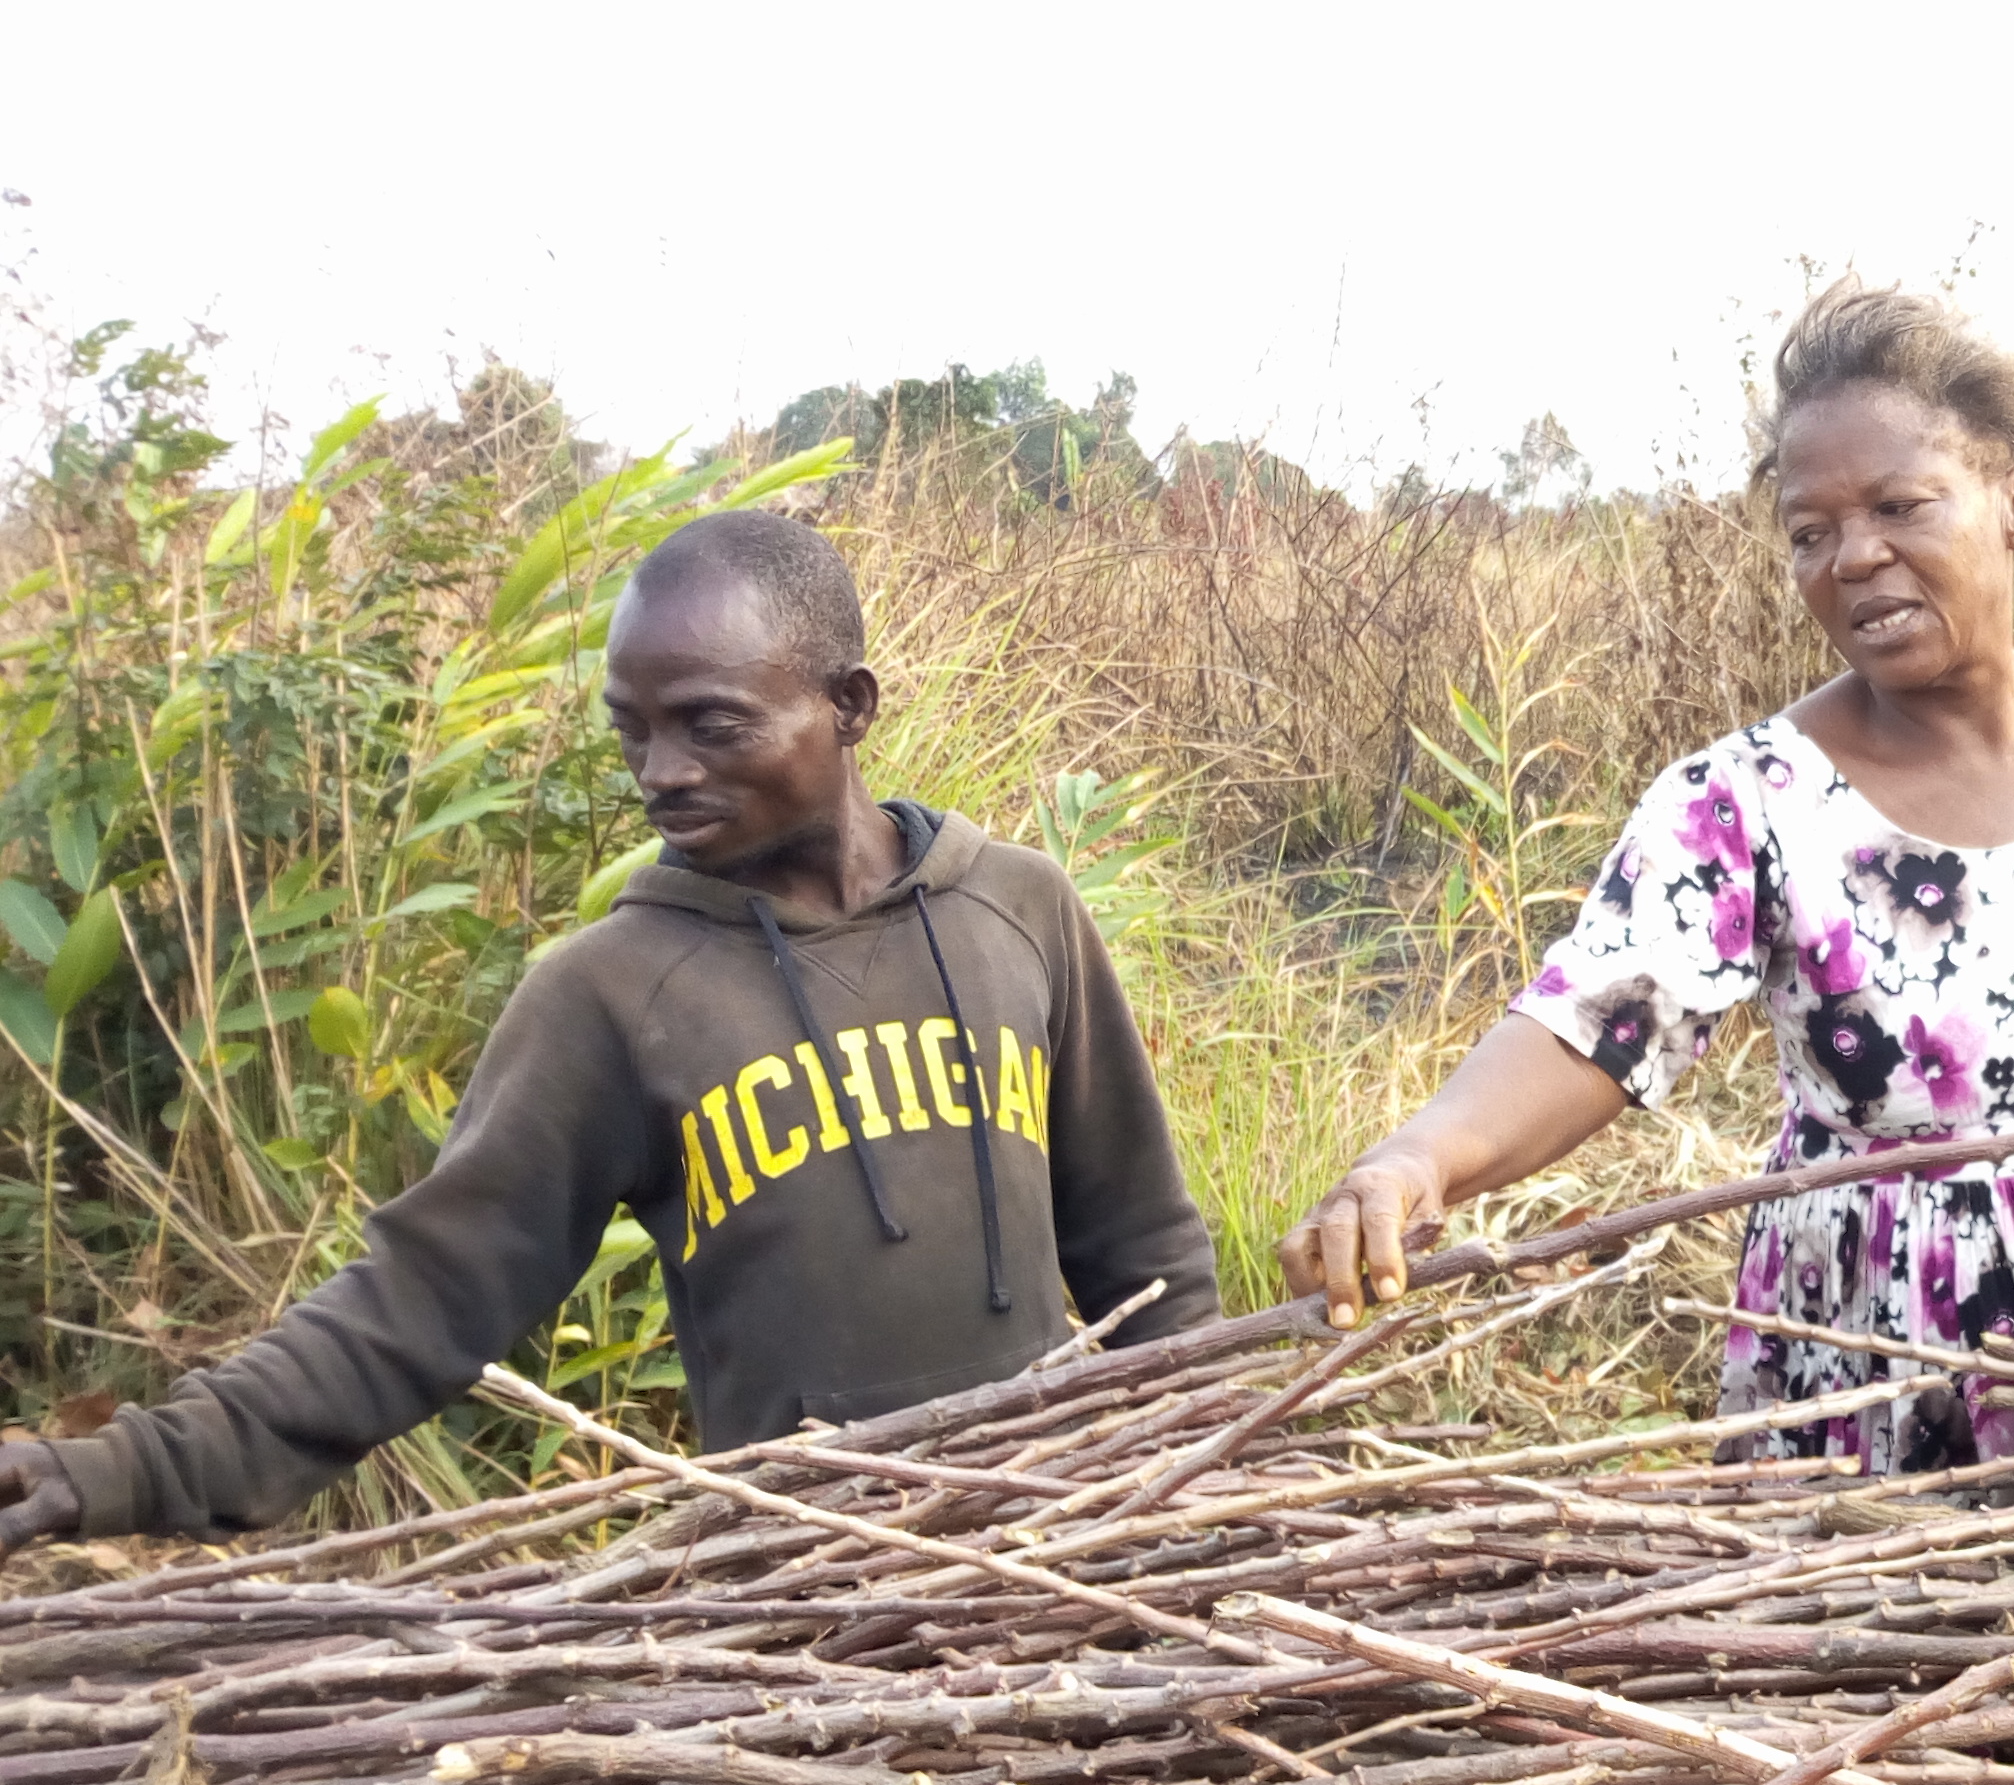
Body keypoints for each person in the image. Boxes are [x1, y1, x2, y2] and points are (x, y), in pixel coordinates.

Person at [1286, 282, 2014, 1468]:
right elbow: (1592, 1020)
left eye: (1900, 505)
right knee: (1884, 1653)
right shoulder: (1748, 799)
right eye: (1811, 532)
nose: (1854, 557)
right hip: (1871, 1363)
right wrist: (1415, 1158)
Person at [0, 512, 1218, 1550]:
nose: (659, 772)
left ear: (847, 706)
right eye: (632, 728)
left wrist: (1204, 1473)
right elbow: (420, 1302)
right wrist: (114, 1470)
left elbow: (1143, 1245)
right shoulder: (611, 993)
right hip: (817, 1586)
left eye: (709, 723)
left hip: (1071, 1530)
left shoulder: (1016, 908)